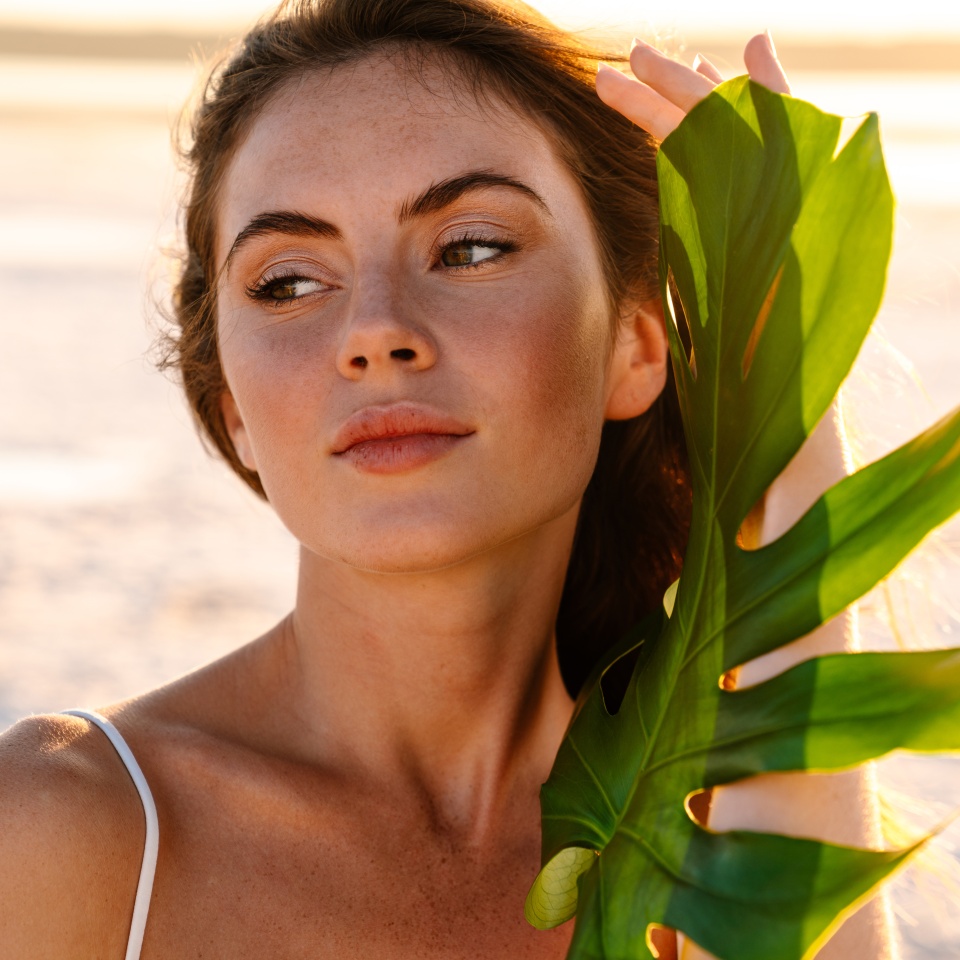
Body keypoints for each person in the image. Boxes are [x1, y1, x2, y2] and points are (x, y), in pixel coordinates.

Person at [0, 1, 896, 957]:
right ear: (233, 409)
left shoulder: (716, 836)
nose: (375, 331)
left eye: (470, 248)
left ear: (636, 347)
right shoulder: (66, 830)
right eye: (289, 281)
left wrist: (786, 410)